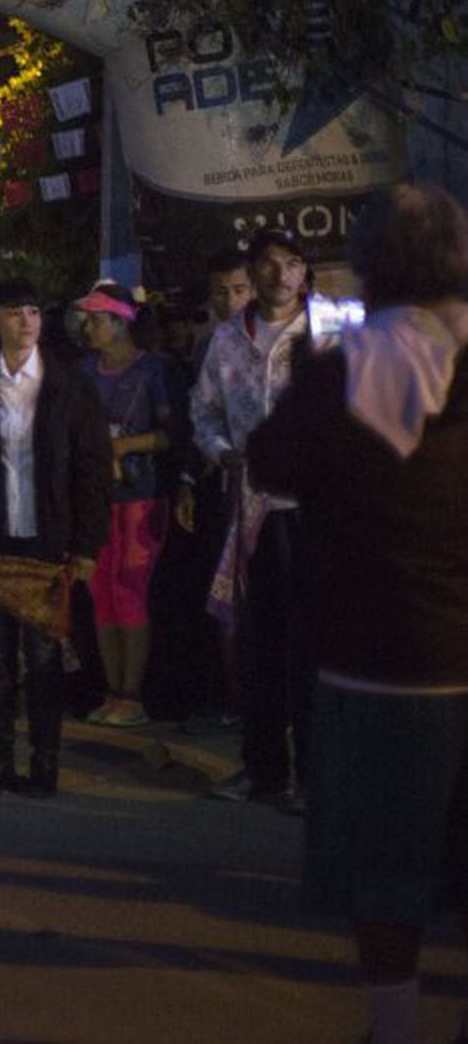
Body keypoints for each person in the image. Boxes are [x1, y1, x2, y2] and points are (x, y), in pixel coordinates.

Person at [246, 184, 468, 1044]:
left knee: (385, 860)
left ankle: (395, 1023)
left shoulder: (341, 370)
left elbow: (270, 465)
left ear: (368, 267)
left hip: (379, 655)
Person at [0, 278, 111, 797]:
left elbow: (92, 468)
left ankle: (45, 762)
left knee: (44, 657)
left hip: (47, 538)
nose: (26, 321)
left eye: (34, 311)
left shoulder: (69, 385)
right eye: (15, 312)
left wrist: (86, 545)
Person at [190, 226, 321, 806]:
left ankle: (315, 774)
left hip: (317, 512)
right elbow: (205, 414)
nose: (279, 274)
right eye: (268, 264)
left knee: (313, 647)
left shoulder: (329, 336)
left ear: (304, 272)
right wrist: (220, 453)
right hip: (251, 511)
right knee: (258, 643)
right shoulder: (225, 340)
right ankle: (262, 767)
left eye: (291, 263)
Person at [72, 284, 175, 726]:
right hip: (96, 497)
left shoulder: (153, 372)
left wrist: (123, 445)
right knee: (100, 593)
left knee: (129, 591)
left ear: (120, 322)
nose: (87, 326)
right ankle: (112, 693)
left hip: (141, 494)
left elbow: (172, 435)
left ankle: (131, 694)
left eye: (96, 318)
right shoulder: (83, 372)